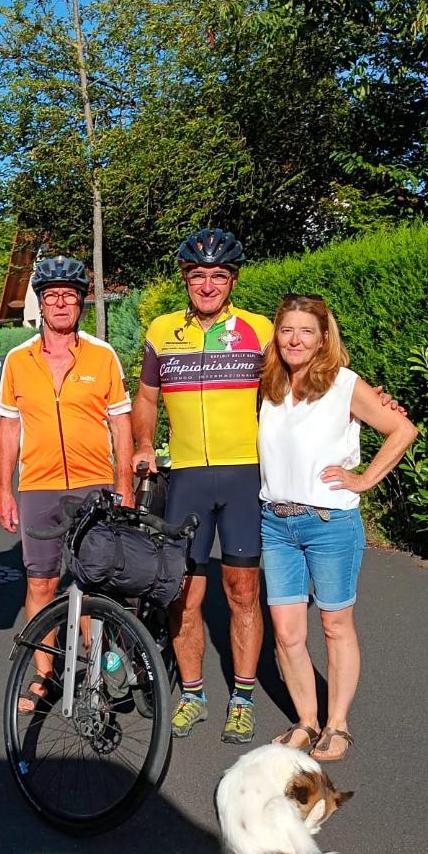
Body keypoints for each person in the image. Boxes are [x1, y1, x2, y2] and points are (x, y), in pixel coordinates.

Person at [258, 294, 417, 761]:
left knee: (334, 624)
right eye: (287, 329)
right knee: (286, 632)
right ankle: (307, 721)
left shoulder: (344, 384)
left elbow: (401, 429)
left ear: (324, 337)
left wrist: (364, 479)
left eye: (307, 330)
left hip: (329, 522)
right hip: (275, 522)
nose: (295, 339)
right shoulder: (268, 386)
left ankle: (338, 725)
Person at [132, 229, 273, 744]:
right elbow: (146, 398)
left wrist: (370, 399)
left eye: (217, 275)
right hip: (187, 476)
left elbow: (308, 381)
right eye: (198, 276)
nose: (207, 284)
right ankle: (192, 693)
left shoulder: (260, 330)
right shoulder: (162, 330)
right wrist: (144, 443)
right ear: (185, 280)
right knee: (184, 595)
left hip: (243, 475)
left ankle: (242, 697)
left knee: (242, 592)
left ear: (232, 279)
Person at [0, 255, 134, 710]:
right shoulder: (18, 361)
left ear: (79, 304)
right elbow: (9, 428)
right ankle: (43, 675)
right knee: (40, 581)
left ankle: (96, 669)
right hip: (37, 485)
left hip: (94, 484)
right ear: (41, 303)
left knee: (93, 582)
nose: (60, 304)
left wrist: (125, 483)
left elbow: (121, 424)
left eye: (69, 297)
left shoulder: (101, 354)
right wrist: (3, 489)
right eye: (51, 296)